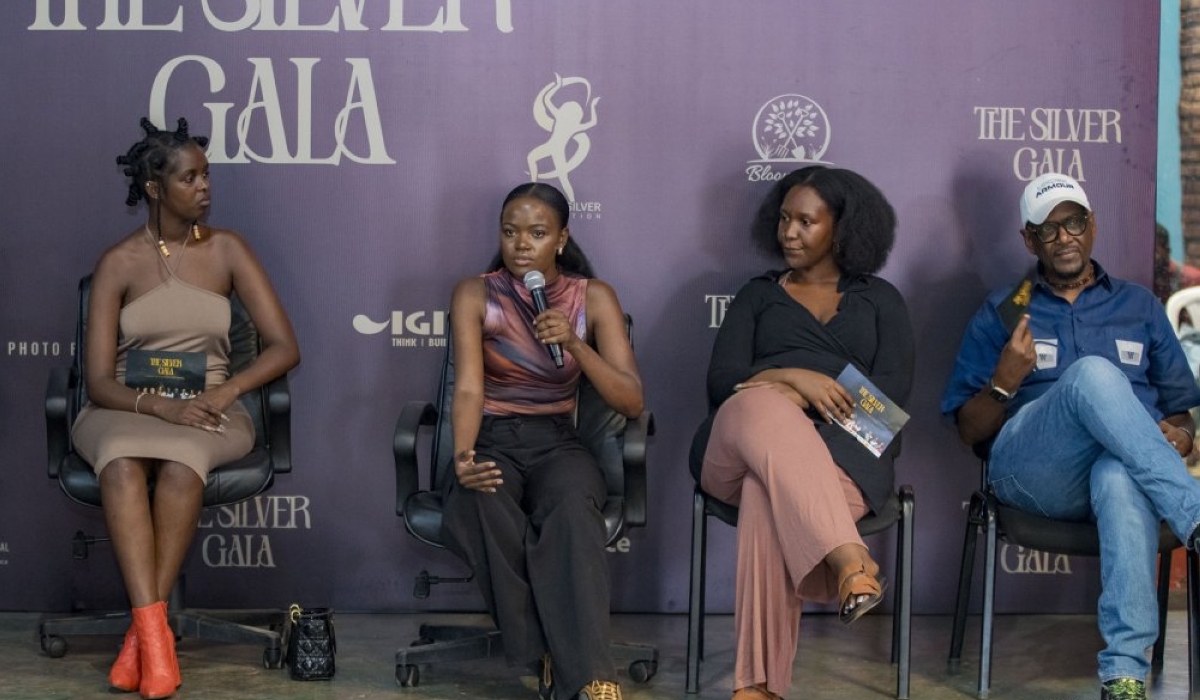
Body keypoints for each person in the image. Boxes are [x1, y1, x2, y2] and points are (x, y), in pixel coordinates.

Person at [942, 173, 1200, 700]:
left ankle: (1124, 674)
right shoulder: (1004, 310)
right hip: (1034, 474)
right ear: (1029, 241)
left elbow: (1182, 417)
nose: (1065, 237)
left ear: (1093, 226)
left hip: (1121, 473)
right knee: (1092, 375)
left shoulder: (1140, 307)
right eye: (1049, 229)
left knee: (1118, 473)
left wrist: (1178, 437)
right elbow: (968, 431)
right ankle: (1195, 514)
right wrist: (1003, 382)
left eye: (1074, 222)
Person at [71, 117, 299, 699]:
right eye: (190, 177)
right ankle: (154, 638)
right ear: (154, 188)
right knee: (121, 463)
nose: (205, 187)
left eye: (207, 174)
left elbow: (285, 347)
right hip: (127, 405)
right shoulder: (117, 263)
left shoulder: (228, 250)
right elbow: (97, 381)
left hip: (210, 406)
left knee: (181, 466)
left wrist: (224, 394)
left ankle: (140, 644)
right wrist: (160, 408)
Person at [692, 165, 914, 700]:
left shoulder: (881, 300)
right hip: (739, 441)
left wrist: (816, 393)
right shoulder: (757, 296)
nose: (788, 232)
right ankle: (848, 560)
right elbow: (723, 386)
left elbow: (889, 407)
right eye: (785, 219)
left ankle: (758, 688)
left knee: (764, 495)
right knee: (761, 406)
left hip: (847, 454)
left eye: (806, 222)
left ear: (841, 228)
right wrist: (792, 380)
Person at [440, 182, 643, 700]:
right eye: (510, 232)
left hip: (557, 441)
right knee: (478, 499)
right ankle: (551, 650)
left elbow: (630, 401)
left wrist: (575, 342)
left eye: (536, 232)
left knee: (574, 511)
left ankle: (594, 679)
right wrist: (462, 456)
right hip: (492, 436)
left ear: (561, 238)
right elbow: (467, 387)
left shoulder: (593, 298)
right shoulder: (474, 293)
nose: (521, 244)